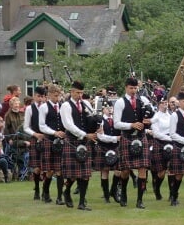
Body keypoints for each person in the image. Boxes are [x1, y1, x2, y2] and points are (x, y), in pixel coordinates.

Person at [113, 77, 152, 209]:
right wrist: (131, 125)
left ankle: (140, 200)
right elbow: (116, 123)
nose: (133, 91)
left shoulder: (143, 100)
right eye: (131, 88)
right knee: (125, 170)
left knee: (143, 168)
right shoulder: (120, 102)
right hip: (127, 137)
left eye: (135, 88)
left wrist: (149, 121)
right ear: (126, 88)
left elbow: (153, 116)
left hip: (141, 137)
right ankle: (123, 193)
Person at [59, 81, 98, 211]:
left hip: (85, 141)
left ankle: (82, 202)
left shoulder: (85, 104)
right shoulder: (66, 105)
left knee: (85, 174)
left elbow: (93, 117)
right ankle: (67, 191)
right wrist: (85, 134)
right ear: (71, 91)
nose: (80, 95)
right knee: (73, 174)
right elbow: (68, 125)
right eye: (77, 92)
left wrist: (99, 127)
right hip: (72, 141)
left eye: (81, 92)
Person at [38, 84, 67, 205]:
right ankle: (45, 192)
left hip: (61, 142)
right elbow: (42, 126)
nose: (58, 98)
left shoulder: (63, 106)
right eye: (55, 96)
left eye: (59, 95)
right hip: (49, 141)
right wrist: (54, 132)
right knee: (49, 171)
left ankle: (60, 197)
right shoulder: (44, 107)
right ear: (49, 95)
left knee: (60, 170)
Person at [93, 102, 122, 204]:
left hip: (115, 148)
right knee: (105, 171)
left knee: (118, 171)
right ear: (103, 109)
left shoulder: (116, 120)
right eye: (107, 108)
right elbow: (101, 137)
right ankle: (106, 196)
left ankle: (113, 191)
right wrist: (115, 138)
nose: (109, 109)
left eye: (111, 107)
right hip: (104, 147)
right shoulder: (100, 121)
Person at [23, 86, 47, 201]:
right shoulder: (29, 109)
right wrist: (35, 134)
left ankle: (45, 191)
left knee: (47, 167)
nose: (40, 99)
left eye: (42, 96)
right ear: (34, 96)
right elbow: (26, 127)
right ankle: (37, 189)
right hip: (35, 138)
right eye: (38, 96)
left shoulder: (47, 107)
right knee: (37, 168)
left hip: (47, 139)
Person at [150, 98, 171, 201]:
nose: (165, 105)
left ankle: (173, 194)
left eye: (166, 103)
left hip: (171, 143)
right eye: (162, 103)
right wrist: (169, 138)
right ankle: (157, 189)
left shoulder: (171, 115)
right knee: (161, 172)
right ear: (158, 105)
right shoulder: (156, 117)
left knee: (172, 170)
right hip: (159, 143)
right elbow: (156, 133)